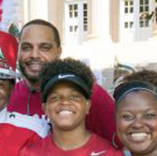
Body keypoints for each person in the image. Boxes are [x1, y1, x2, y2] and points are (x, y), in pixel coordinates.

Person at [7, 19, 119, 147]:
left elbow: (118, 145)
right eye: (26, 47)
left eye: (45, 47)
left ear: (59, 51)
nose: (34, 54)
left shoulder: (89, 93)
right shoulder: (6, 97)